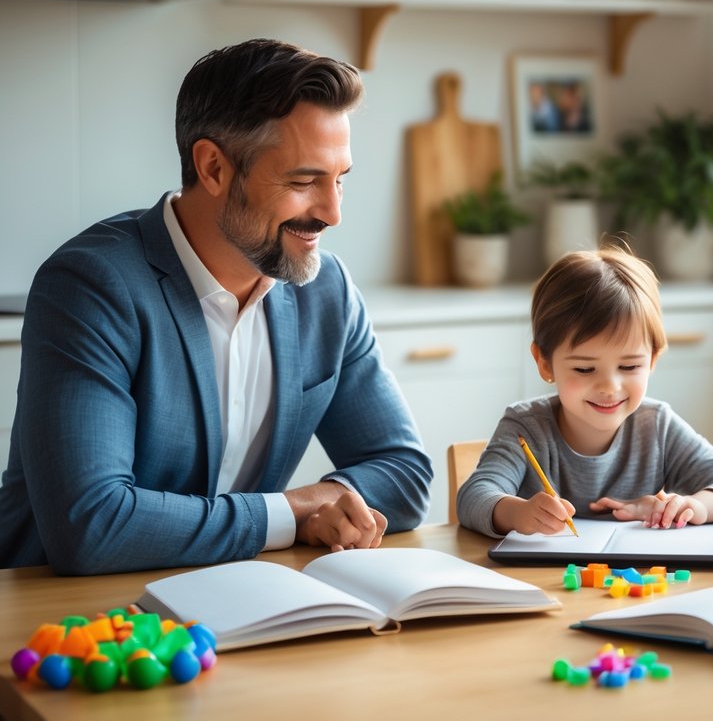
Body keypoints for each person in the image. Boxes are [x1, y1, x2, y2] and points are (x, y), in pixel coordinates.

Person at [0, 39, 434, 574]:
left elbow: (403, 472)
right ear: (213, 168)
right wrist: (288, 514)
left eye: (339, 179)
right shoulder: (91, 287)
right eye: (303, 182)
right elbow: (91, 525)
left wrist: (333, 504)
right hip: (67, 624)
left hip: (239, 602)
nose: (332, 213)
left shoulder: (326, 290)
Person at [456, 247, 713, 537]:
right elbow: (472, 497)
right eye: (585, 369)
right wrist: (518, 514)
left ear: (653, 359)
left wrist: (695, 506)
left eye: (629, 367)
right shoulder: (525, 427)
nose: (609, 387)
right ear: (545, 363)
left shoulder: (658, 426)